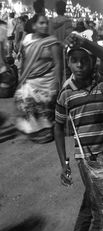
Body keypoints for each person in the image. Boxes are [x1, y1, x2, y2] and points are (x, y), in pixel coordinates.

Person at [54, 33, 103, 231]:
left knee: (92, 201)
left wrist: (85, 43)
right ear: (68, 62)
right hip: (88, 159)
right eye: (74, 60)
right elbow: (58, 127)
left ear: (92, 62)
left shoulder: (101, 80)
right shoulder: (66, 93)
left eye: (85, 60)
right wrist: (64, 163)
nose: (79, 65)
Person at [15, 14, 63, 143]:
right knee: (26, 103)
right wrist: (22, 77)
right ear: (34, 25)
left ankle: (46, 132)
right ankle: (37, 131)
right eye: (41, 23)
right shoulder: (27, 39)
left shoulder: (52, 41)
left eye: (46, 23)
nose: (45, 25)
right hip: (31, 80)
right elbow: (25, 60)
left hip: (46, 82)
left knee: (44, 110)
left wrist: (57, 84)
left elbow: (58, 63)